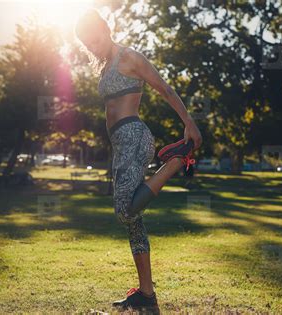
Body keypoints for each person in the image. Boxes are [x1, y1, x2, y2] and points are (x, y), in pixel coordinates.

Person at [75, 9, 202, 313]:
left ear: (106, 30)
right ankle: (147, 295)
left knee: (124, 211)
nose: (93, 46)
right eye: (87, 44)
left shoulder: (129, 57)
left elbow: (164, 89)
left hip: (135, 138)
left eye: (94, 39)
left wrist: (189, 123)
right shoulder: (104, 66)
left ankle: (174, 163)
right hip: (121, 147)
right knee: (134, 221)